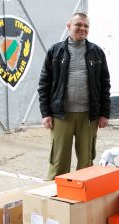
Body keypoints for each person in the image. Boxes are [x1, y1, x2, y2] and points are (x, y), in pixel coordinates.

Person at [38, 12, 111, 181]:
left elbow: (105, 84)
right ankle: (54, 198)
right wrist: (46, 113)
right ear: (69, 26)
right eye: (78, 24)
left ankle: (81, 200)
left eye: (86, 26)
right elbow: (44, 84)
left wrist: (104, 113)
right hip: (61, 115)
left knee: (86, 163)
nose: (82, 28)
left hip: (89, 116)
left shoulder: (97, 52)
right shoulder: (55, 51)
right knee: (58, 162)